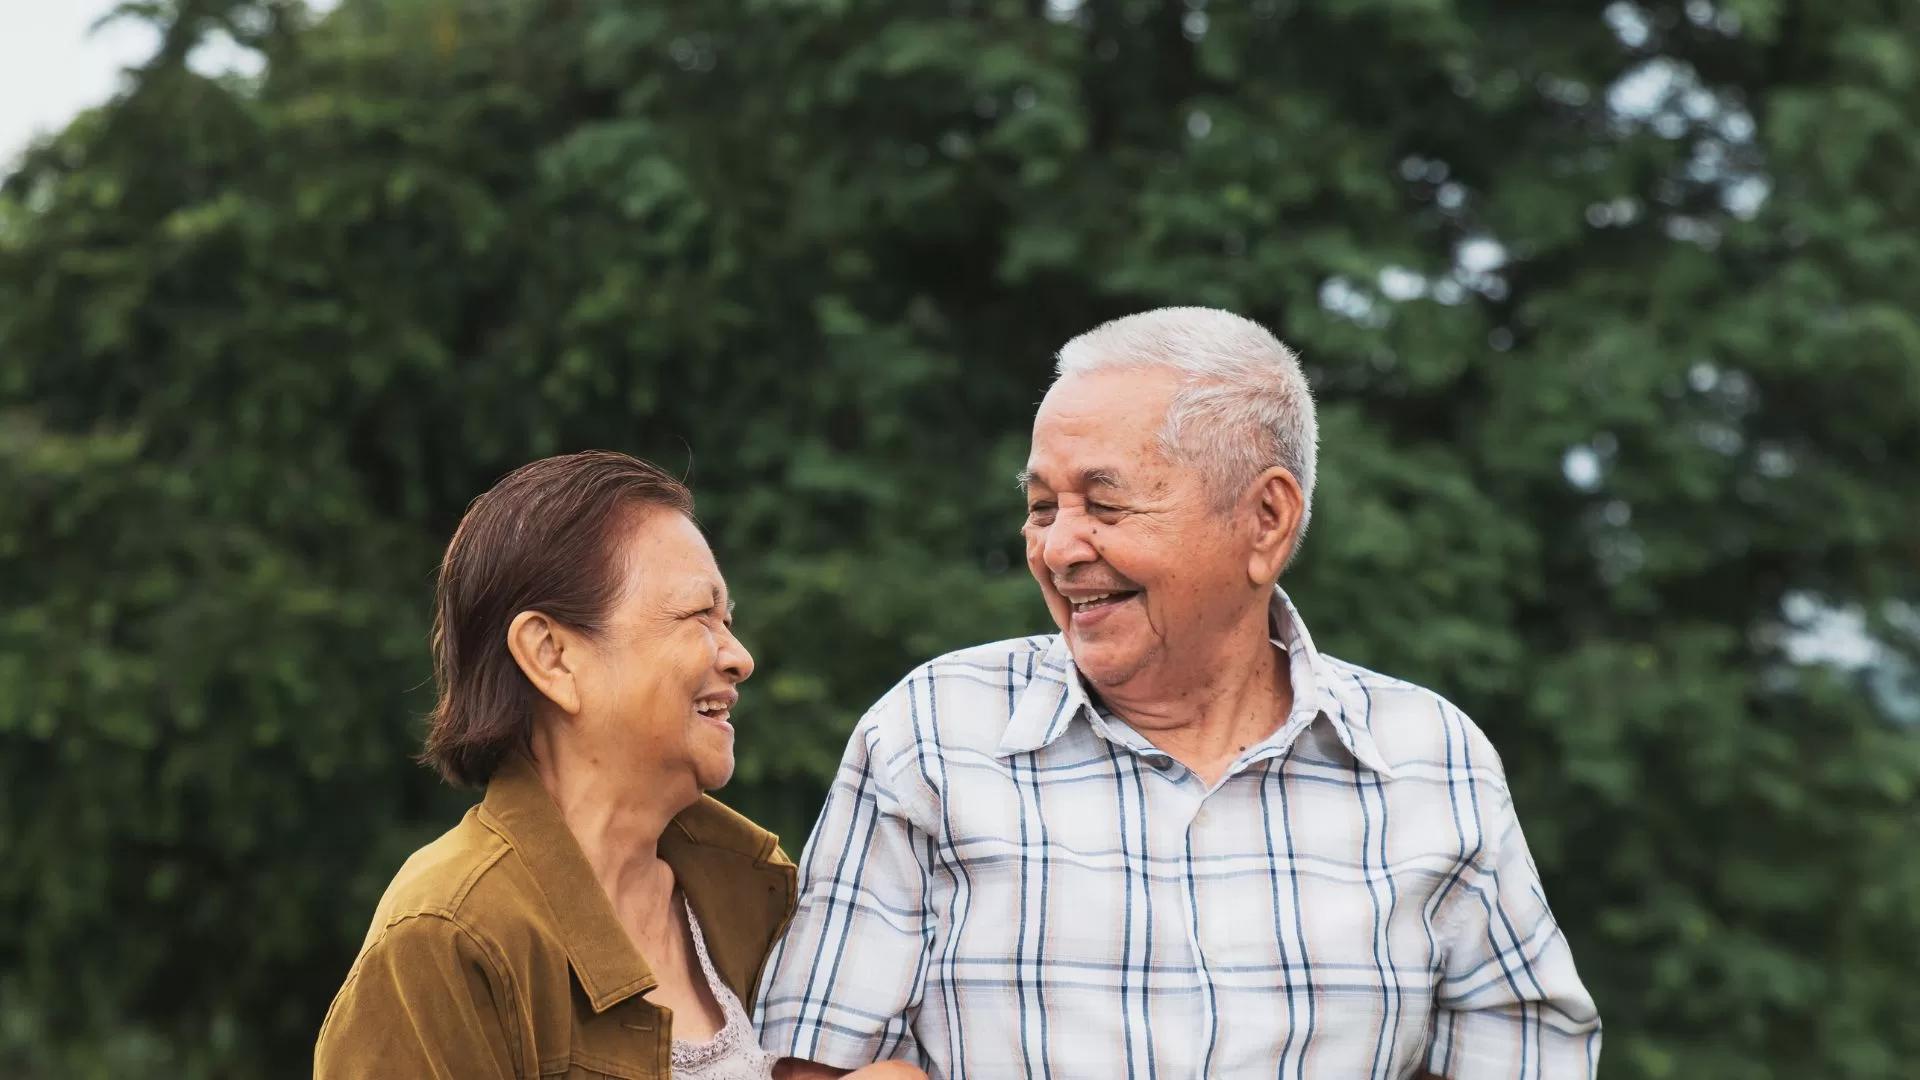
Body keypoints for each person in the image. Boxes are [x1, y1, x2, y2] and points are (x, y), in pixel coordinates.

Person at [757, 309, 1602, 1079]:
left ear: (1265, 520)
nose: (1058, 548)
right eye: (1042, 506)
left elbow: (1528, 1054)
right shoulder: (932, 735)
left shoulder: (1432, 760)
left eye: (1105, 503)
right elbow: (814, 1063)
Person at [315, 451, 924, 1080]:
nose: (738, 657)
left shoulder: (758, 893)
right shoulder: (448, 937)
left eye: (728, 620)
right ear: (552, 656)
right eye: (697, 615)